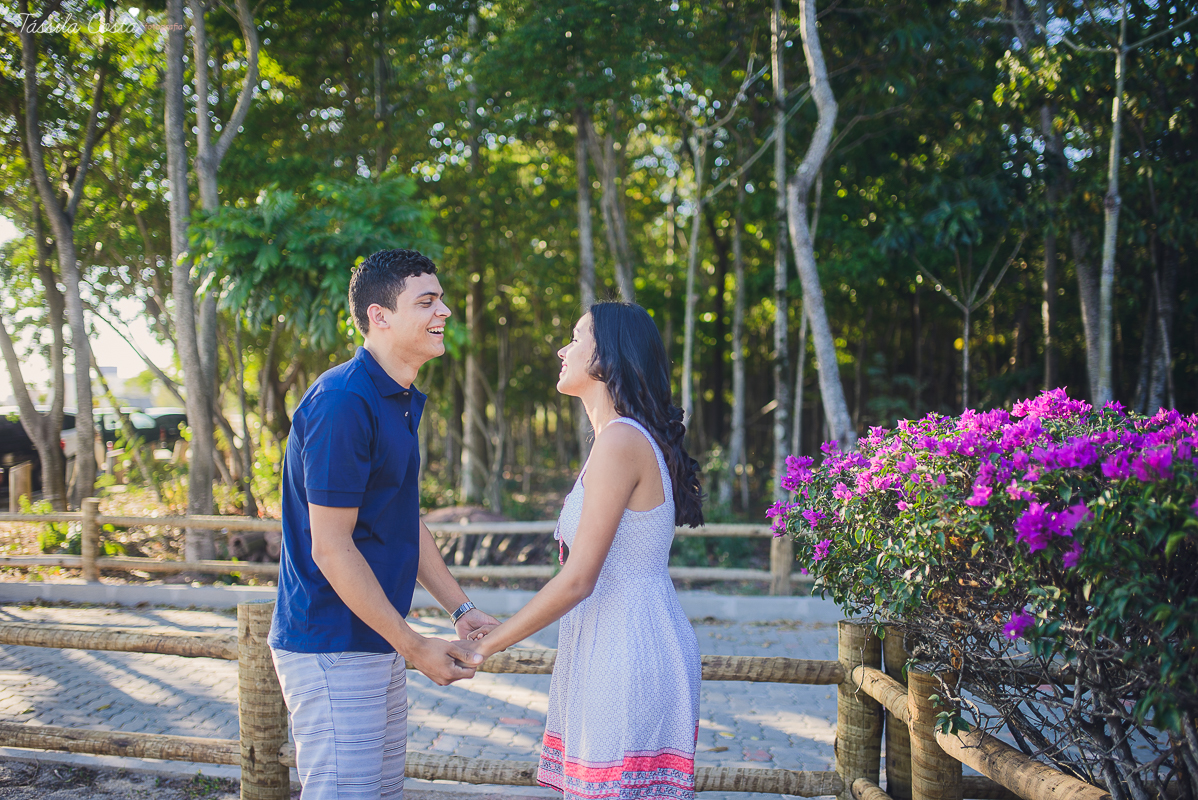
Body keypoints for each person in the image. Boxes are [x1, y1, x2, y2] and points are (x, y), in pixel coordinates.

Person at [269, 248, 497, 800]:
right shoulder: (345, 401)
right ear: (379, 316)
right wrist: (416, 646)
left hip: (376, 639)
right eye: (427, 301)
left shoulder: (396, 400)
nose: (443, 311)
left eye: (441, 299)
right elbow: (331, 548)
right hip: (331, 642)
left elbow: (402, 519)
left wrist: (460, 609)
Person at [461, 301, 704, 800]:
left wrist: (487, 644)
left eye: (575, 336)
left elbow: (578, 578)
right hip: (610, 643)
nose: (561, 348)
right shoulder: (614, 441)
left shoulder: (621, 441)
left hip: (627, 649)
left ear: (606, 356)